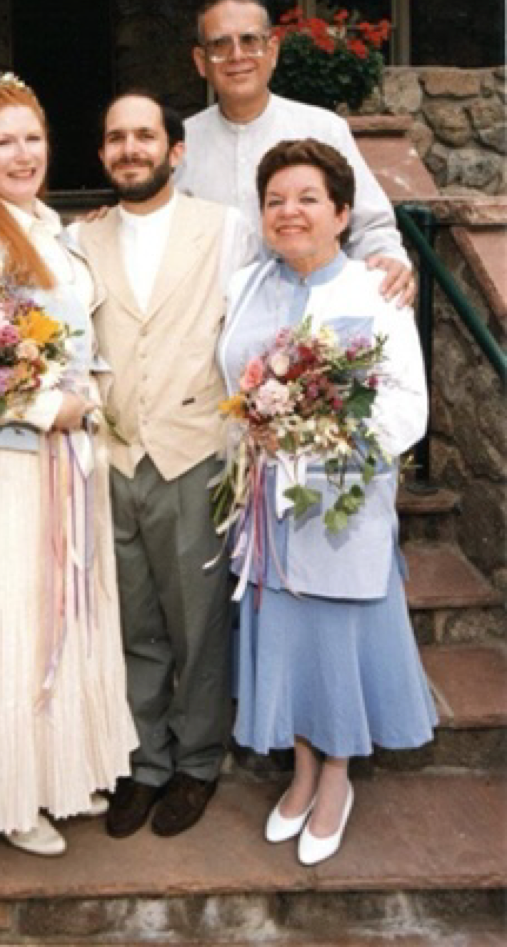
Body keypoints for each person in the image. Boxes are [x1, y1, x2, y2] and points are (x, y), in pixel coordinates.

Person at [0, 74, 136, 857]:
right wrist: (46, 407)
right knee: (13, 618)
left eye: (33, 138)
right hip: (0, 468)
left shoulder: (49, 226)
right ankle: (8, 795)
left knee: (63, 608)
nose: (23, 155)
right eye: (3, 142)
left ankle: (57, 772)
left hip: (66, 456)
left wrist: (85, 403)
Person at [217, 137, 437, 866]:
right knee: (287, 640)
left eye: (308, 198)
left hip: (340, 502)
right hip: (267, 506)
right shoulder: (246, 285)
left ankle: (337, 777)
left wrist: (322, 439)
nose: (290, 211)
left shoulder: (375, 291)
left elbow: (407, 407)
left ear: (342, 213)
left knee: (337, 644)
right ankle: (302, 769)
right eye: (275, 200)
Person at [72, 92, 254, 839]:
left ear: (175, 150)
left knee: (198, 623)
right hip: (113, 454)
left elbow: (254, 321)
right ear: (103, 154)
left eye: (144, 135)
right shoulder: (77, 239)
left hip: (192, 449)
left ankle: (197, 761)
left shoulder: (227, 228)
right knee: (132, 621)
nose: (130, 148)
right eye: (116, 137)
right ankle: (144, 762)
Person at [179, 0, 416, 306]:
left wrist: (388, 260)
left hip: (311, 315)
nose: (237, 55)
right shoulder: (179, 144)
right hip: (210, 317)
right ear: (201, 62)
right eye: (220, 45)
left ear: (272, 51)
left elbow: (368, 224)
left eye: (250, 41)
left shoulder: (323, 129)